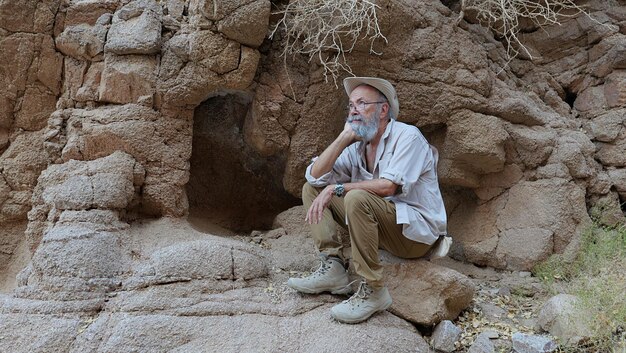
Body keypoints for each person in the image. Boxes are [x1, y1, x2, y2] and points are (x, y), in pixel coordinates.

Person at [287, 77, 449, 324]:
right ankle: (333, 268)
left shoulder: (408, 136)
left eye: (362, 103)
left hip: (416, 236)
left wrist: (338, 187)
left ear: (383, 110)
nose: (353, 110)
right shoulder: (357, 146)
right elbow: (315, 176)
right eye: (351, 105)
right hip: (384, 229)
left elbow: (388, 186)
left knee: (355, 196)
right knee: (312, 189)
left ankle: (374, 290)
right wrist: (343, 138)